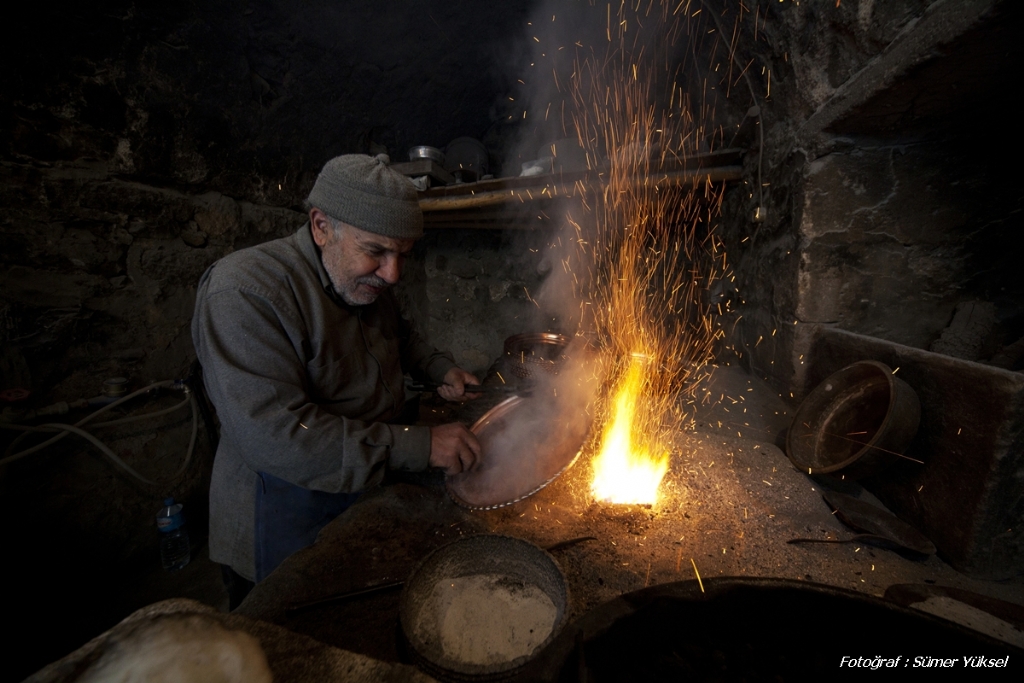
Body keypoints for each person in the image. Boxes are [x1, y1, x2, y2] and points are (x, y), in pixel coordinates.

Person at [191, 154, 482, 605]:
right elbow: (278, 437)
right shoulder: (246, 291)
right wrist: (421, 446)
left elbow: (399, 335)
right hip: (283, 508)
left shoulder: (364, 282)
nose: (393, 274)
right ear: (322, 225)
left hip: (362, 483)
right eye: (376, 251)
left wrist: (439, 367)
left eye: (403, 255)